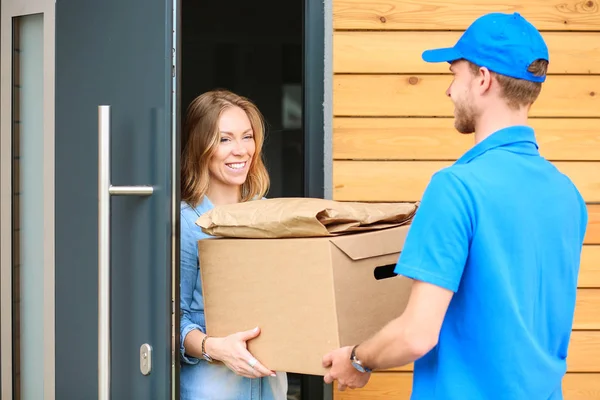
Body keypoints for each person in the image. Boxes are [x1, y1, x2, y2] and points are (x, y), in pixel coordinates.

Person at [322, 12, 588, 400]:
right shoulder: (568, 195)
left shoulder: (457, 187)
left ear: (483, 79)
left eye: (454, 74)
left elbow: (416, 335)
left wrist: (358, 359)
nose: (449, 91)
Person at [179, 89, 288, 399]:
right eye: (224, 139)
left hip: (270, 381)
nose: (240, 150)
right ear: (201, 147)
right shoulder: (187, 222)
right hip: (213, 385)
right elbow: (171, 321)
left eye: (247, 137)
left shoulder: (270, 214)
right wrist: (217, 348)